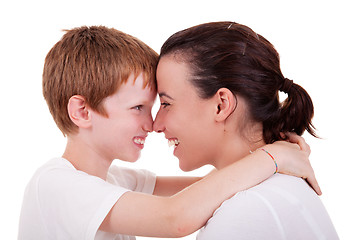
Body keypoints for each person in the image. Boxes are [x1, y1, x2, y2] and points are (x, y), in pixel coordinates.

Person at [18, 25, 319, 240]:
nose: (151, 124)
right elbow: (173, 218)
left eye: (160, 105)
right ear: (82, 112)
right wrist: (273, 157)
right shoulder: (55, 184)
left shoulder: (116, 181)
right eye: (138, 108)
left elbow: (208, 187)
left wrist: (276, 152)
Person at [154, 21, 338, 239]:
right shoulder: (270, 186)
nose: (156, 125)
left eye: (165, 104)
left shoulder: (244, 210)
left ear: (221, 105)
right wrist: (273, 157)